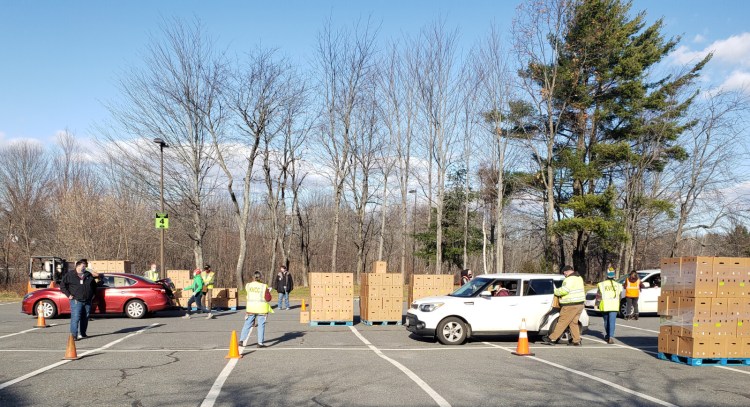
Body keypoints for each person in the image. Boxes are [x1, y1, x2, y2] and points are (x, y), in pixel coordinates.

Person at [542, 265, 585, 346]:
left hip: (570, 304)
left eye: (564, 273)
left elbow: (564, 291)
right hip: (580, 304)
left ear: (566, 271)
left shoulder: (569, 279)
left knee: (562, 322)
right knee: (573, 323)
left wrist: (555, 291)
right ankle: (576, 341)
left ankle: (552, 339)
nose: (564, 274)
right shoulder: (579, 278)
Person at [59, 259, 100, 340]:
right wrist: (68, 295)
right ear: (77, 266)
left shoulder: (88, 274)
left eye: (85, 266)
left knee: (85, 317)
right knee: (76, 318)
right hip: (76, 300)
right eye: (83, 266)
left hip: (87, 300)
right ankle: (74, 335)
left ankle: (83, 333)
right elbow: (62, 286)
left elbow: (94, 284)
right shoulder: (70, 275)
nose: (85, 268)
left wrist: (93, 294)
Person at [240, 271, 274, 348]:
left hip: (251, 308)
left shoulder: (248, 285)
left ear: (253, 277)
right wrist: (268, 291)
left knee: (247, 324)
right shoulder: (263, 286)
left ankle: (241, 340)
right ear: (260, 277)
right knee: (261, 325)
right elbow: (268, 298)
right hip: (261, 309)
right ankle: (260, 343)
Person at [597, 269, 622, 344]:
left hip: (605, 305)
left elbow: (599, 296)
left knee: (606, 321)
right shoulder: (618, 285)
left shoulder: (602, 284)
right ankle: (611, 336)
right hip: (614, 305)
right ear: (614, 275)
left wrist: (597, 305)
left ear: (607, 275)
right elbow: (620, 296)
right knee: (612, 321)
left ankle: (608, 335)